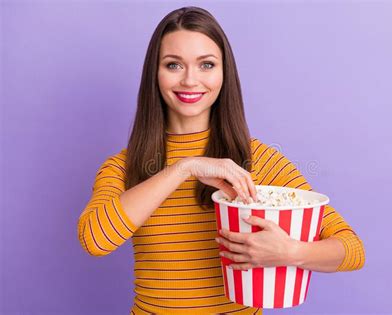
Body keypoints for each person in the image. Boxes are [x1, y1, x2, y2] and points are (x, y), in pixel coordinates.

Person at [77, 6, 365, 315]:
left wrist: (291, 252)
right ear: (154, 74)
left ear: (224, 73)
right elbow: (95, 239)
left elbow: (351, 250)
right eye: (173, 65)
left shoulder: (259, 162)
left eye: (206, 65)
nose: (190, 80)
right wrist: (185, 167)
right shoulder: (124, 167)